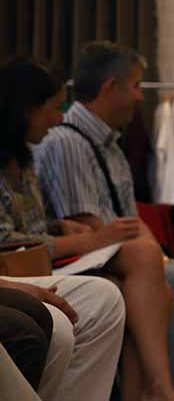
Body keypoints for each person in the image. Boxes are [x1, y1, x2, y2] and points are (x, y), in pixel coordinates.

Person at [33, 44, 174, 400]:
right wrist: (150, 255)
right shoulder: (68, 141)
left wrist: (159, 256)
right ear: (109, 87)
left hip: (119, 249)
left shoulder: (111, 145)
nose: (139, 98)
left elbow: (129, 219)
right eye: (135, 87)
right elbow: (86, 223)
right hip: (93, 255)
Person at [0, 56, 127, 400]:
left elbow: (28, 225)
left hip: (32, 263)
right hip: (14, 267)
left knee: (107, 295)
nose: (60, 119)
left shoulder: (23, 158)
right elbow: (5, 240)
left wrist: (60, 228)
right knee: (112, 282)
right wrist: (91, 240)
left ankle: (146, 387)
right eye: (55, 108)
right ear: (27, 109)